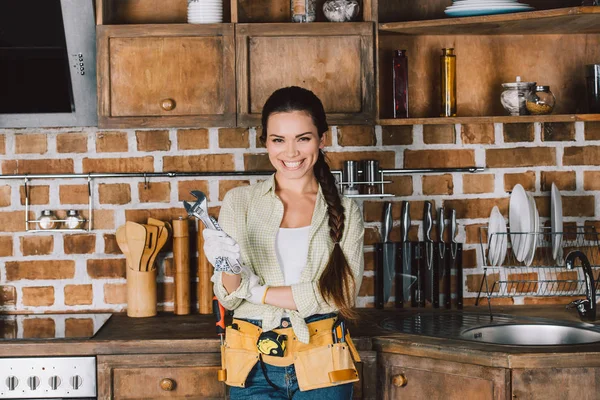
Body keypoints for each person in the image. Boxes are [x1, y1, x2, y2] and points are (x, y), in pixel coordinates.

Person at [203, 86, 364, 399]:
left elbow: (341, 295)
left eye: (303, 138)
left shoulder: (345, 209)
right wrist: (226, 264)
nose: (291, 153)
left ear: (322, 139)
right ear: (265, 141)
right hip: (251, 363)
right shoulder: (240, 202)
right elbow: (230, 298)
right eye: (279, 140)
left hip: (323, 360)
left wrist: (257, 291)